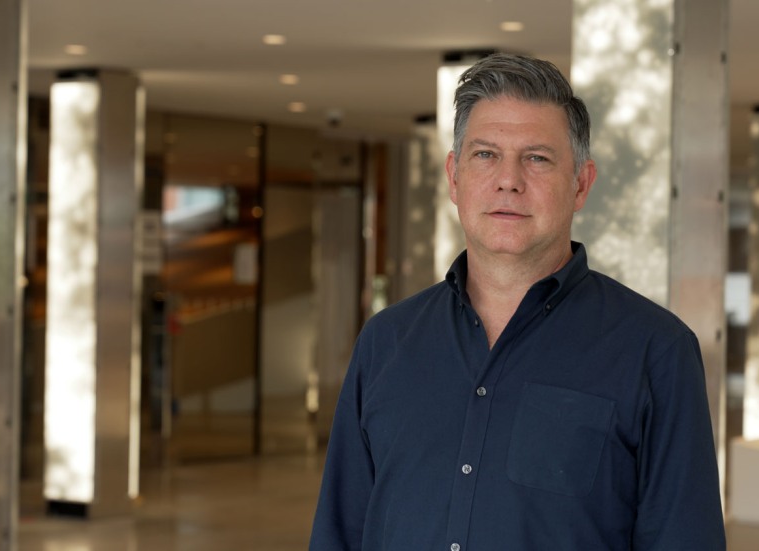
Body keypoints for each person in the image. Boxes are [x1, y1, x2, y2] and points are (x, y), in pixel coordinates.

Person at [309, 53, 725, 550]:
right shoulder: (386, 341)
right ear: (454, 177)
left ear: (581, 184)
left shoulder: (656, 351)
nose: (509, 179)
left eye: (537, 158)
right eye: (485, 154)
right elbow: (338, 532)